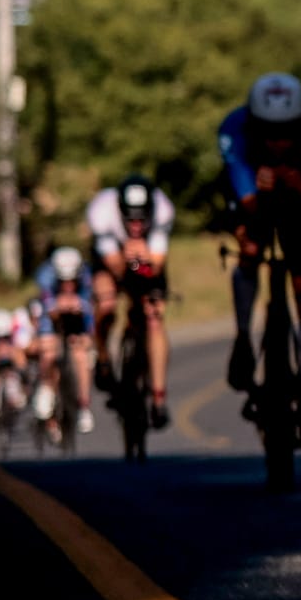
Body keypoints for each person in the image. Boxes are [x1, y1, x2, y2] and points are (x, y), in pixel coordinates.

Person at [217, 72, 301, 450]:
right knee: (250, 251)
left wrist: (296, 183)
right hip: (251, 196)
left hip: (297, 203)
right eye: (269, 132)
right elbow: (247, 202)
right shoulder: (232, 132)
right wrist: (257, 186)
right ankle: (242, 338)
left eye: (286, 132)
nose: (278, 141)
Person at [87, 172, 176, 429]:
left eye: (141, 218)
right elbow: (115, 267)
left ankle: (158, 398)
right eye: (130, 219)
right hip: (110, 260)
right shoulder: (102, 213)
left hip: (143, 262)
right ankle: (103, 358)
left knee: (154, 317)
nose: (136, 225)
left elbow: (155, 267)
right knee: (106, 304)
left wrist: (140, 263)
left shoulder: (163, 211)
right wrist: (131, 261)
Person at [32, 245, 96, 436]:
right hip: (51, 319)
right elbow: (46, 307)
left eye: (72, 281)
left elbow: (91, 309)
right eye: (63, 282)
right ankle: (46, 386)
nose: (68, 286)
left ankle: (84, 405)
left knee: (82, 354)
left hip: (79, 320)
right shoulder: (45, 276)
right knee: (48, 350)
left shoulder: (87, 275)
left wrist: (80, 308)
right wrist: (57, 307)